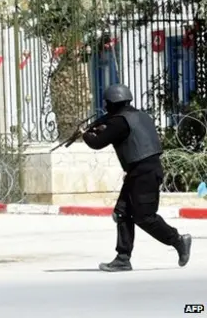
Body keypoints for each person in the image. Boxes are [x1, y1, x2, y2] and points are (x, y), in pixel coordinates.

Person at [81, 83, 191, 272]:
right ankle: (123, 258)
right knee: (122, 212)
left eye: (107, 103)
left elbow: (97, 142)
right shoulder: (139, 116)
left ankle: (178, 240)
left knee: (145, 217)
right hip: (140, 171)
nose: (106, 107)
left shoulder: (119, 122)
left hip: (144, 173)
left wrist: (86, 134)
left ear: (112, 102)